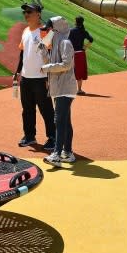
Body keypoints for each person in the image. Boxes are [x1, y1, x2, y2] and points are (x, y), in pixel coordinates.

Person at [14, 3, 56, 150]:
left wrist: (49, 78)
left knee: (46, 110)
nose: (26, 14)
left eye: (29, 12)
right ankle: (29, 136)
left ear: (38, 14)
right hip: (26, 78)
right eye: (25, 12)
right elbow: (22, 53)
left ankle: (53, 137)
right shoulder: (25, 31)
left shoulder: (46, 31)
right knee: (27, 109)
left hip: (41, 78)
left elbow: (50, 55)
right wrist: (17, 72)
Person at [41, 16, 77, 165]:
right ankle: (67, 152)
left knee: (59, 120)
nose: (48, 32)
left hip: (65, 87)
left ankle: (56, 154)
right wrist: (43, 51)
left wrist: (47, 68)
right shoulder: (56, 43)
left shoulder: (65, 43)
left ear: (57, 29)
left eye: (50, 29)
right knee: (65, 121)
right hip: (59, 87)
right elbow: (49, 63)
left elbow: (66, 65)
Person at [68, 15, 93, 94]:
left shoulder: (71, 31)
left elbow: (67, 41)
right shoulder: (84, 31)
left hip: (72, 54)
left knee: (70, 71)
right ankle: (79, 89)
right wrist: (85, 47)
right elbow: (91, 40)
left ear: (75, 22)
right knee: (79, 72)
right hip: (81, 54)